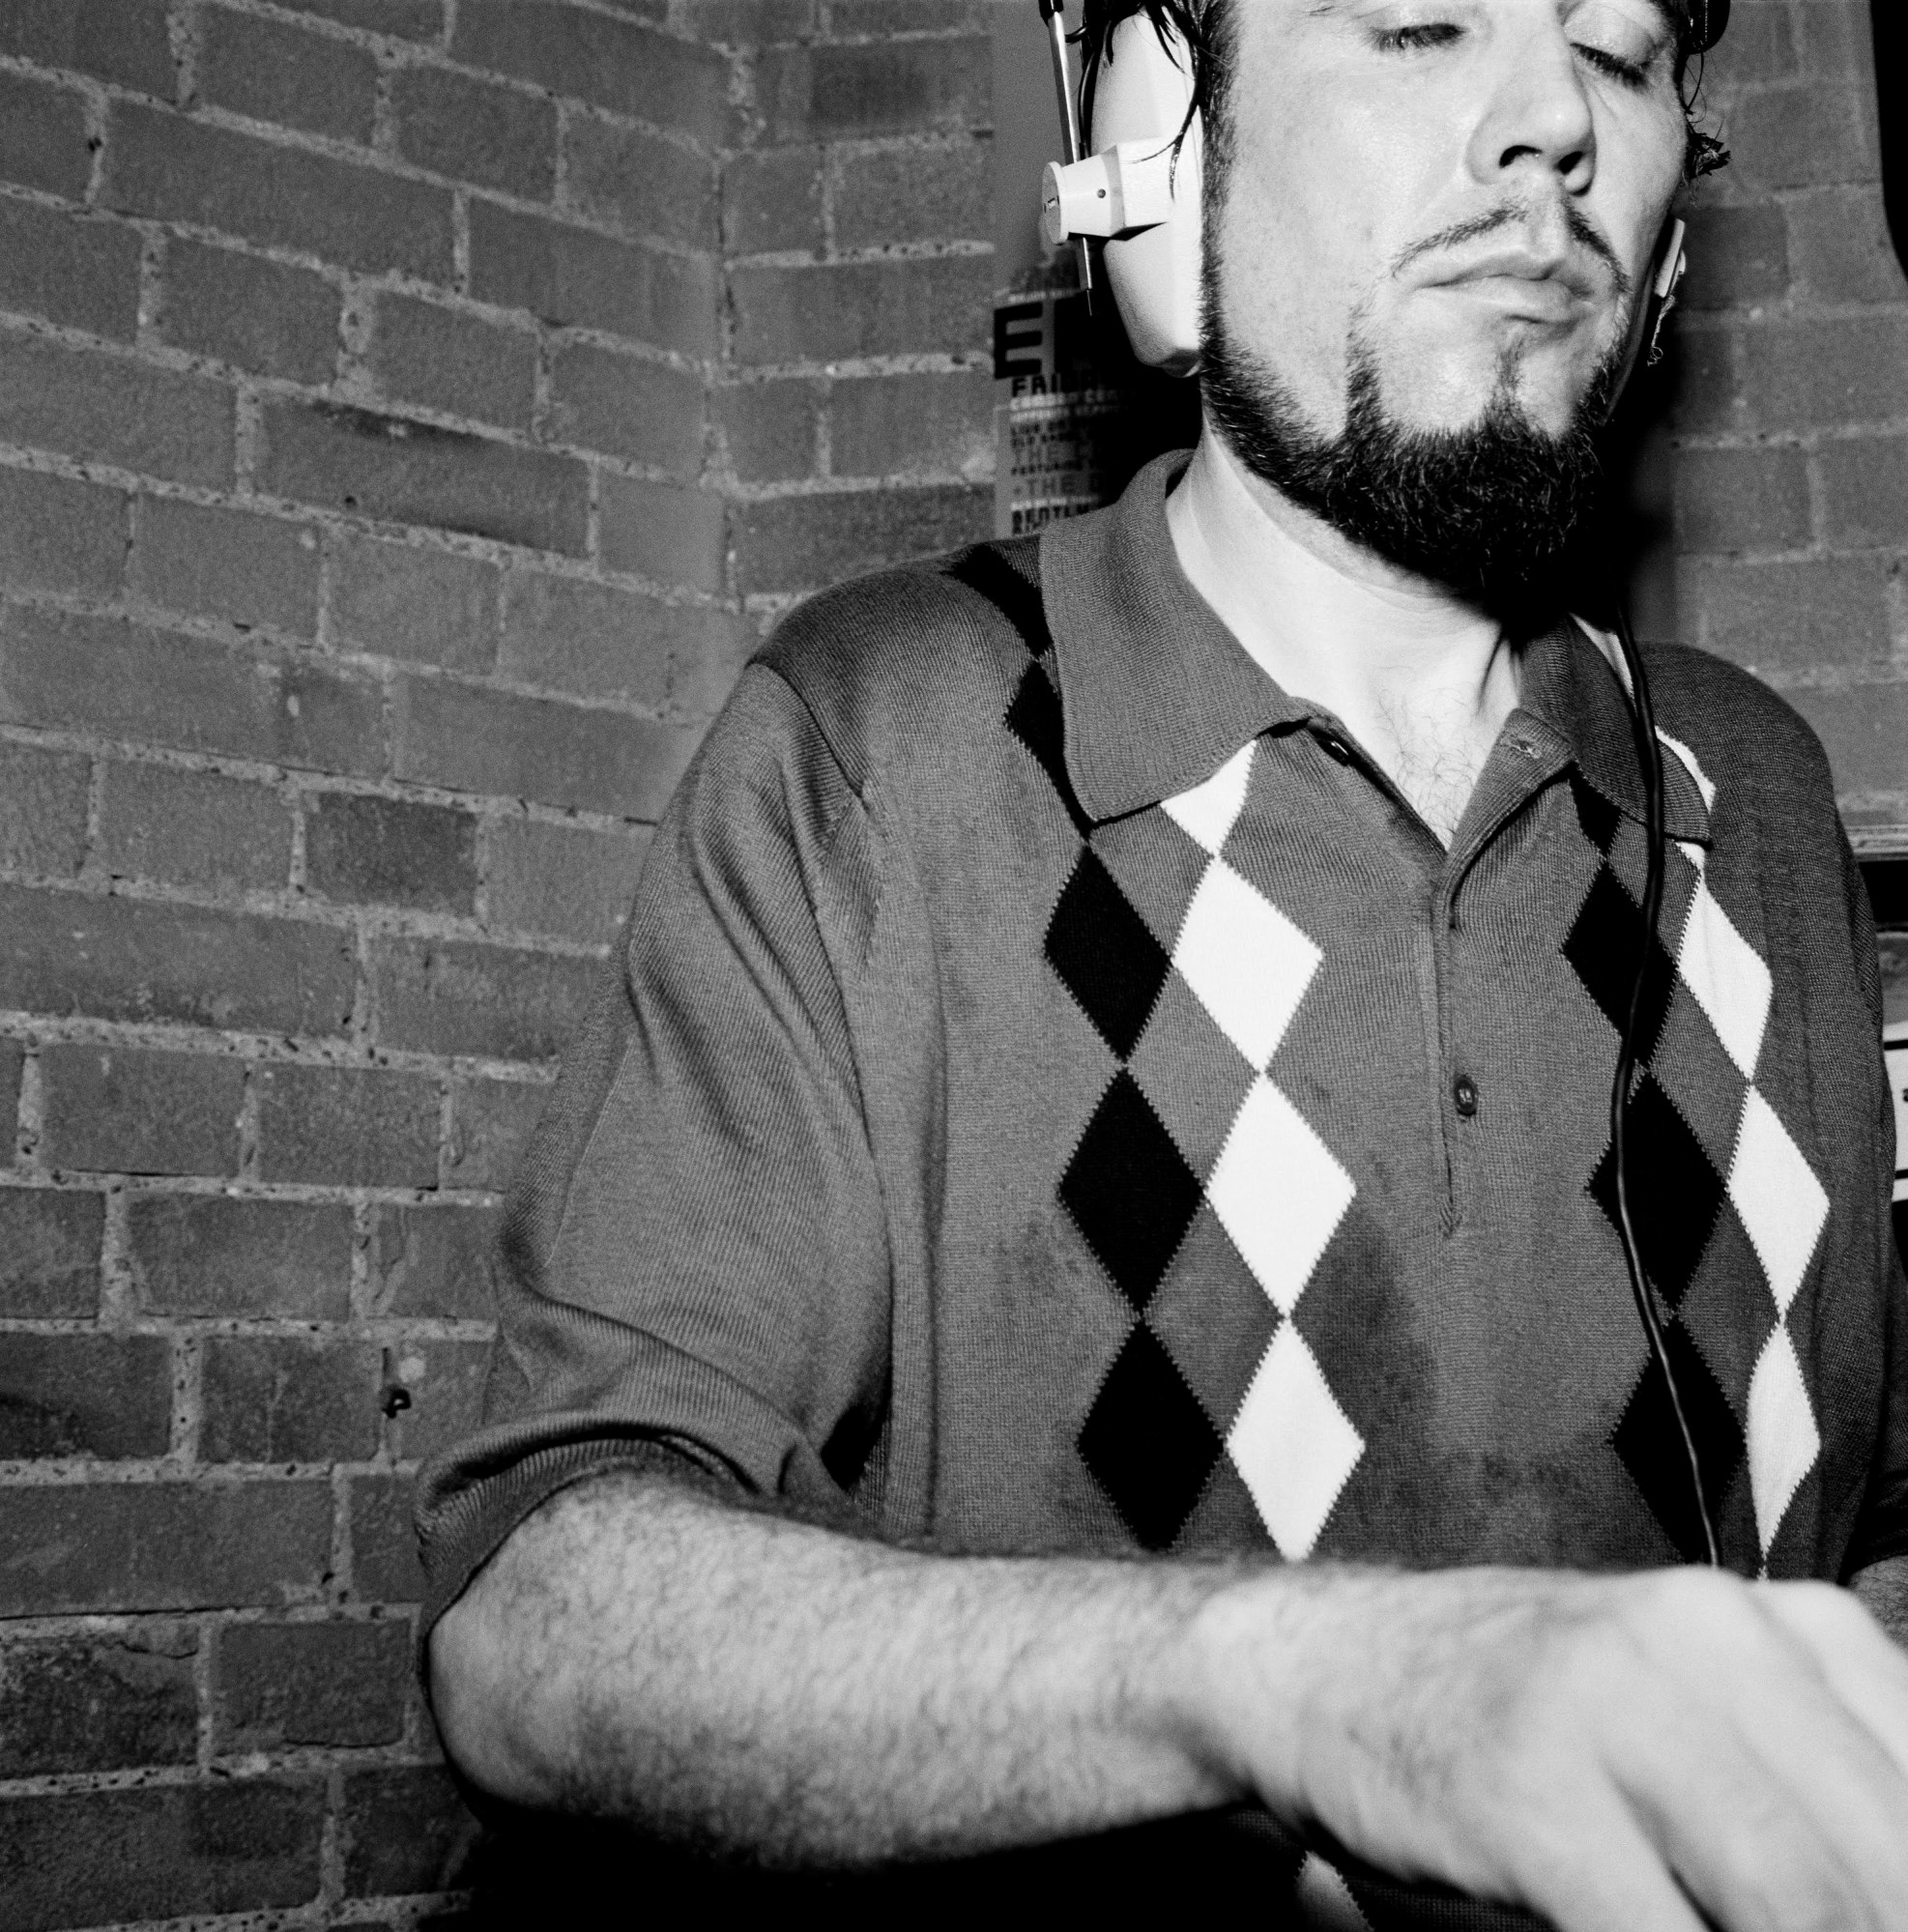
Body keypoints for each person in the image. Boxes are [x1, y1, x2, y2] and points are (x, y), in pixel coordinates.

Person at [419, 2, 1908, 1924]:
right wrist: (1302, 1690)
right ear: (1167, 156)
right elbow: (540, 1624)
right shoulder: (876, 745)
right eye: (1420, 21)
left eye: (1617, 53)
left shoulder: (1756, 794)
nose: (1552, 115)